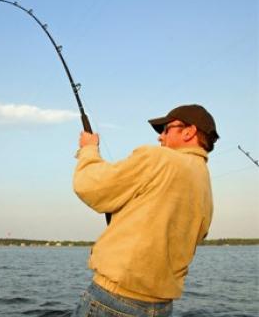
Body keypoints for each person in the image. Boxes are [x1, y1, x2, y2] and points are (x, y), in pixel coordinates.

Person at [71, 104, 219, 317]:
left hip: (112, 302)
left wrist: (88, 149)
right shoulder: (204, 181)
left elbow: (91, 185)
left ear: (189, 132)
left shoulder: (158, 158)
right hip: (160, 308)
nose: (160, 138)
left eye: (166, 129)